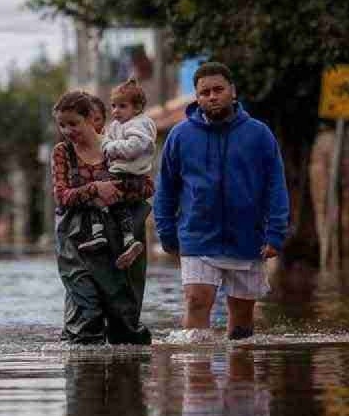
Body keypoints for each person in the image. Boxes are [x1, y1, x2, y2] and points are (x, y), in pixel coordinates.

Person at [153, 62, 289, 340]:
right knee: (196, 300)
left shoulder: (259, 134)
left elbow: (276, 185)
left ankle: (240, 381)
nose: (211, 97)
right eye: (204, 92)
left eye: (218, 89)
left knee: (241, 322)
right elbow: (165, 188)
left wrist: (275, 233)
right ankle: (197, 378)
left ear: (232, 91)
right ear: (197, 96)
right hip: (197, 237)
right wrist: (166, 232)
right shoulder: (180, 136)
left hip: (247, 239)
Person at [51, 90, 152, 345]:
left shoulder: (114, 148)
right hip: (76, 241)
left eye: (74, 124)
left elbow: (147, 186)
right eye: (62, 125)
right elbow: (61, 196)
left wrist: (116, 190)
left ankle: (127, 376)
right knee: (85, 312)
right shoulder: (63, 152)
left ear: (90, 119)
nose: (68, 130)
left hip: (118, 239)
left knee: (123, 322)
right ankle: (82, 374)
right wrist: (95, 189)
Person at [79, 79, 157, 256]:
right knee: (105, 199)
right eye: (113, 106)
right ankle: (121, 239)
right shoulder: (116, 126)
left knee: (105, 195)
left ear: (136, 108)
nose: (116, 111)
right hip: (119, 172)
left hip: (131, 175)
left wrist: (109, 147)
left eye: (122, 106)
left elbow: (133, 147)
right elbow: (105, 142)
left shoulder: (139, 124)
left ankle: (110, 236)